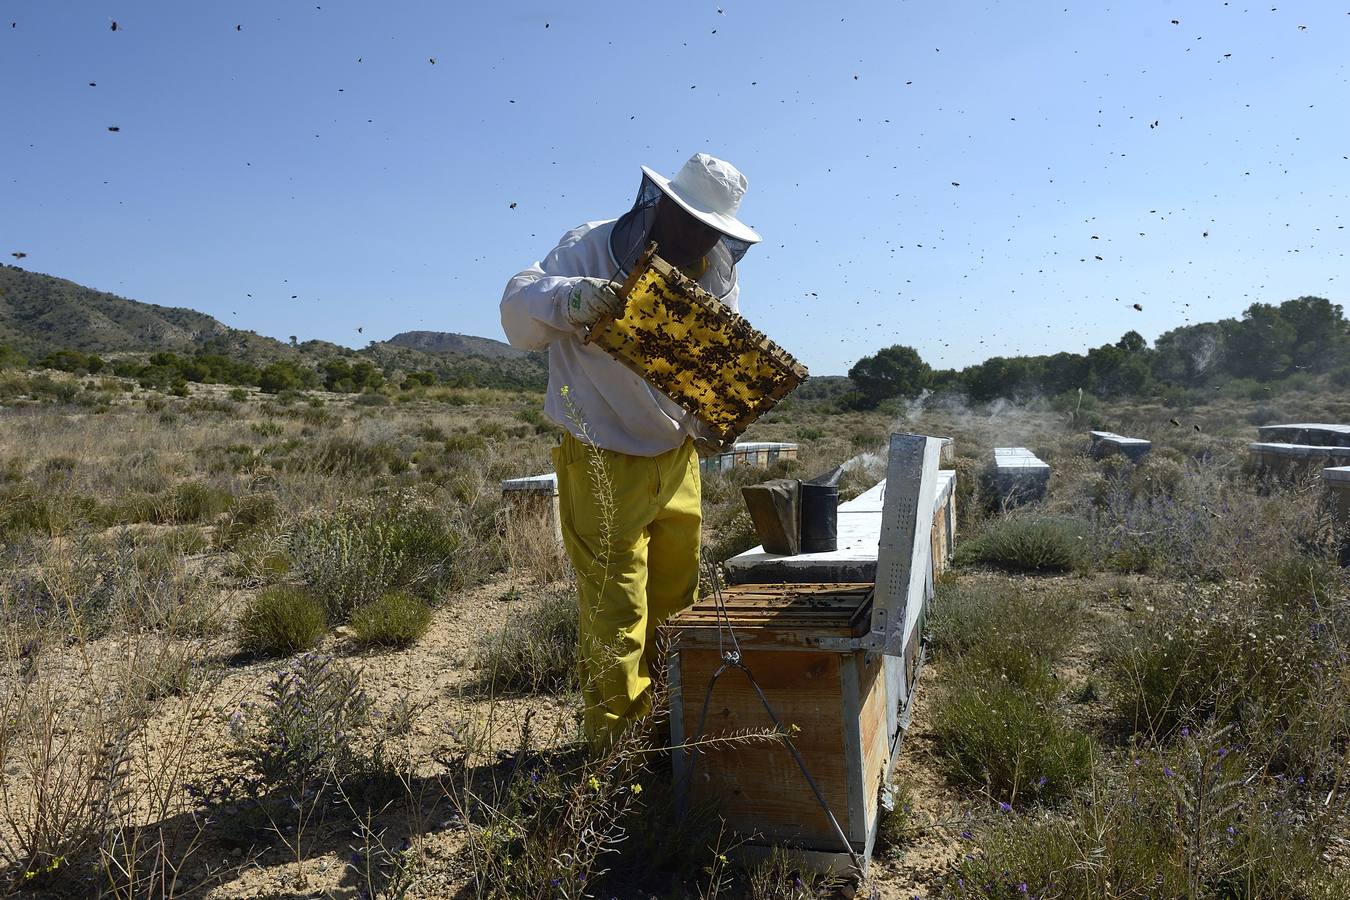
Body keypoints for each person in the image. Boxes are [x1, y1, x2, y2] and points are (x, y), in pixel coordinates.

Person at [500, 153, 762, 750]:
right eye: (693, 223)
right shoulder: (589, 247)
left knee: (677, 609)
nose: (700, 240)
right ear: (661, 205)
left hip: (678, 462)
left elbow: (712, 367)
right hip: (601, 458)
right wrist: (569, 299)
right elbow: (517, 311)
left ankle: (671, 741)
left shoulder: (714, 273)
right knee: (616, 620)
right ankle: (616, 768)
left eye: (713, 231)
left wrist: (716, 419)